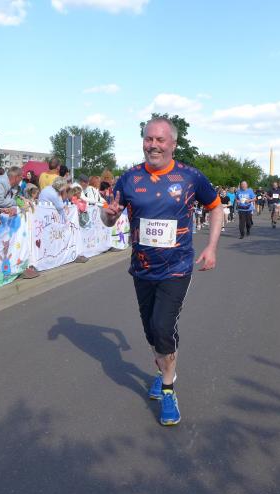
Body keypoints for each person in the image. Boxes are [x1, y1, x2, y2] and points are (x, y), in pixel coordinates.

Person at [101, 117, 222, 426]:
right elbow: (108, 218)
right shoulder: (129, 178)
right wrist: (108, 215)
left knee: (163, 326)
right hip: (142, 268)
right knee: (151, 331)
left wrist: (211, 247)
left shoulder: (190, 177)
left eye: (160, 140)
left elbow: (216, 208)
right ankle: (162, 369)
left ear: (173, 144)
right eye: (148, 139)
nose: (153, 145)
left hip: (177, 267)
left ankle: (168, 388)